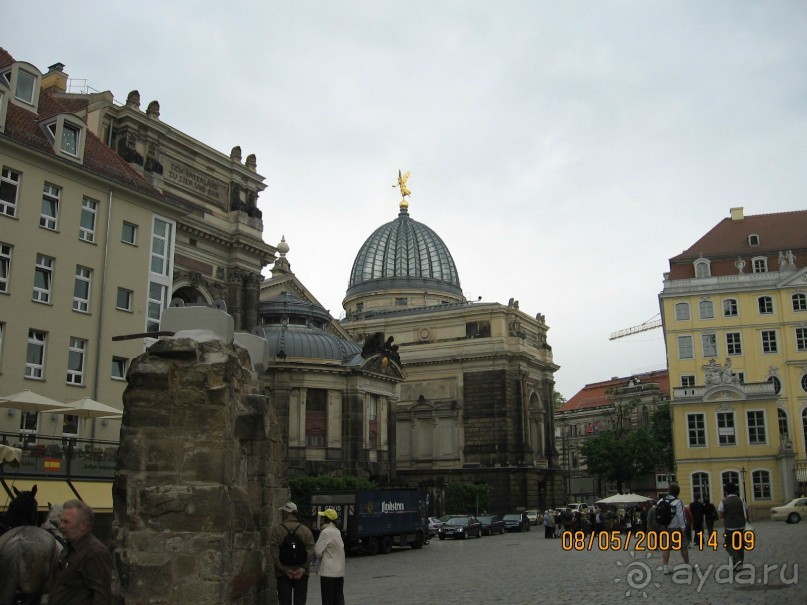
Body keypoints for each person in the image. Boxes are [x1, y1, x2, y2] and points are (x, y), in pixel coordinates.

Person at [49, 499, 112, 605]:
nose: (61, 526)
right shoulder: (68, 548)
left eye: (66, 522)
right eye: (61, 521)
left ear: (82, 525)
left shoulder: (95, 552)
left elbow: (102, 596)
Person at [270, 501, 316, 605]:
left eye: (283, 511)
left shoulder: (277, 531)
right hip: (302, 573)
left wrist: (283, 569)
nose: (281, 513)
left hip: (283, 573)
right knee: (300, 600)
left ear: (287, 513)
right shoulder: (305, 530)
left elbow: (274, 552)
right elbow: (311, 549)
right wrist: (303, 568)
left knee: (284, 601)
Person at [314, 508, 345, 605]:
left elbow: (317, 551)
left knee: (328, 600)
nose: (321, 520)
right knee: (338, 599)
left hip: (328, 572)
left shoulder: (326, 532)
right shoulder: (337, 531)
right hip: (339, 571)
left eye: (323, 518)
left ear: (326, 519)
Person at [659, 483, 691, 574]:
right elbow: (680, 515)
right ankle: (687, 565)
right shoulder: (678, 502)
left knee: (666, 547)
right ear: (678, 492)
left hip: (665, 527)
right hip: (676, 527)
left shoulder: (661, 500)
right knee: (683, 546)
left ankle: (665, 567)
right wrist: (683, 528)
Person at [718, 483, 747, 572]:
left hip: (730, 527)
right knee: (740, 546)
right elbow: (746, 511)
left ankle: (737, 560)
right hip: (741, 526)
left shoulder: (724, 501)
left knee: (729, 545)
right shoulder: (741, 500)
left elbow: (721, 515)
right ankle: (739, 564)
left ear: (726, 491)